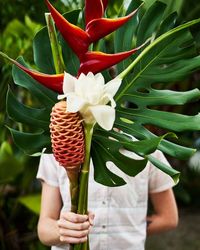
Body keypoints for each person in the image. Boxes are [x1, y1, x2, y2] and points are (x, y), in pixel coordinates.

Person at [36, 149, 178, 250]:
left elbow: (169, 218)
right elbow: (44, 229)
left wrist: (129, 227)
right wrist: (63, 230)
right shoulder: (58, 147)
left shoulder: (147, 149)